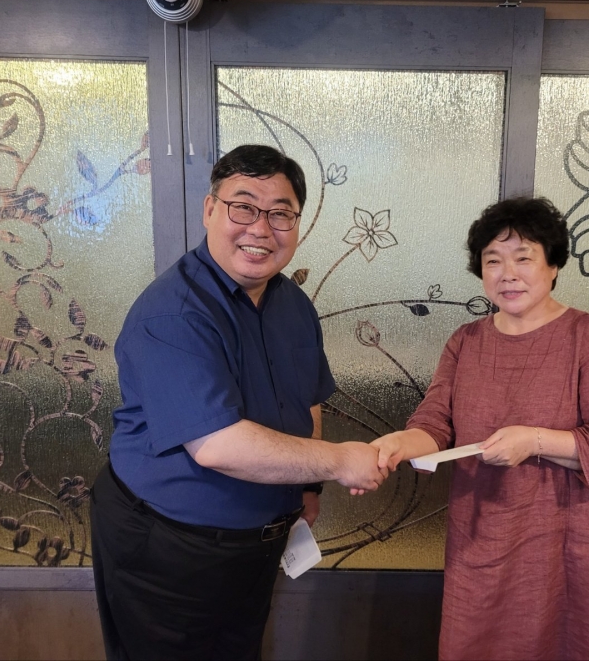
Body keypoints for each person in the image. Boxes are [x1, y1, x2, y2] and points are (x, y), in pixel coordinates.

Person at [90, 144, 388, 661]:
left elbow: (306, 400)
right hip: (168, 544)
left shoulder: (291, 303)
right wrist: (341, 461)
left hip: (258, 541)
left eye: (280, 213)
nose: (261, 228)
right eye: (243, 207)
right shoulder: (174, 312)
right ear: (210, 209)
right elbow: (216, 445)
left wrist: (307, 487)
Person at [371, 197, 589, 660]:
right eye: (493, 260)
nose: (507, 274)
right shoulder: (466, 341)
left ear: (553, 265)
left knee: (564, 641)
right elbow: (434, 425)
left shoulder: (588, 335)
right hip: (480, 534)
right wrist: (397, 443)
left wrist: (533, 441)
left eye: (523, 258)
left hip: (561, 539)